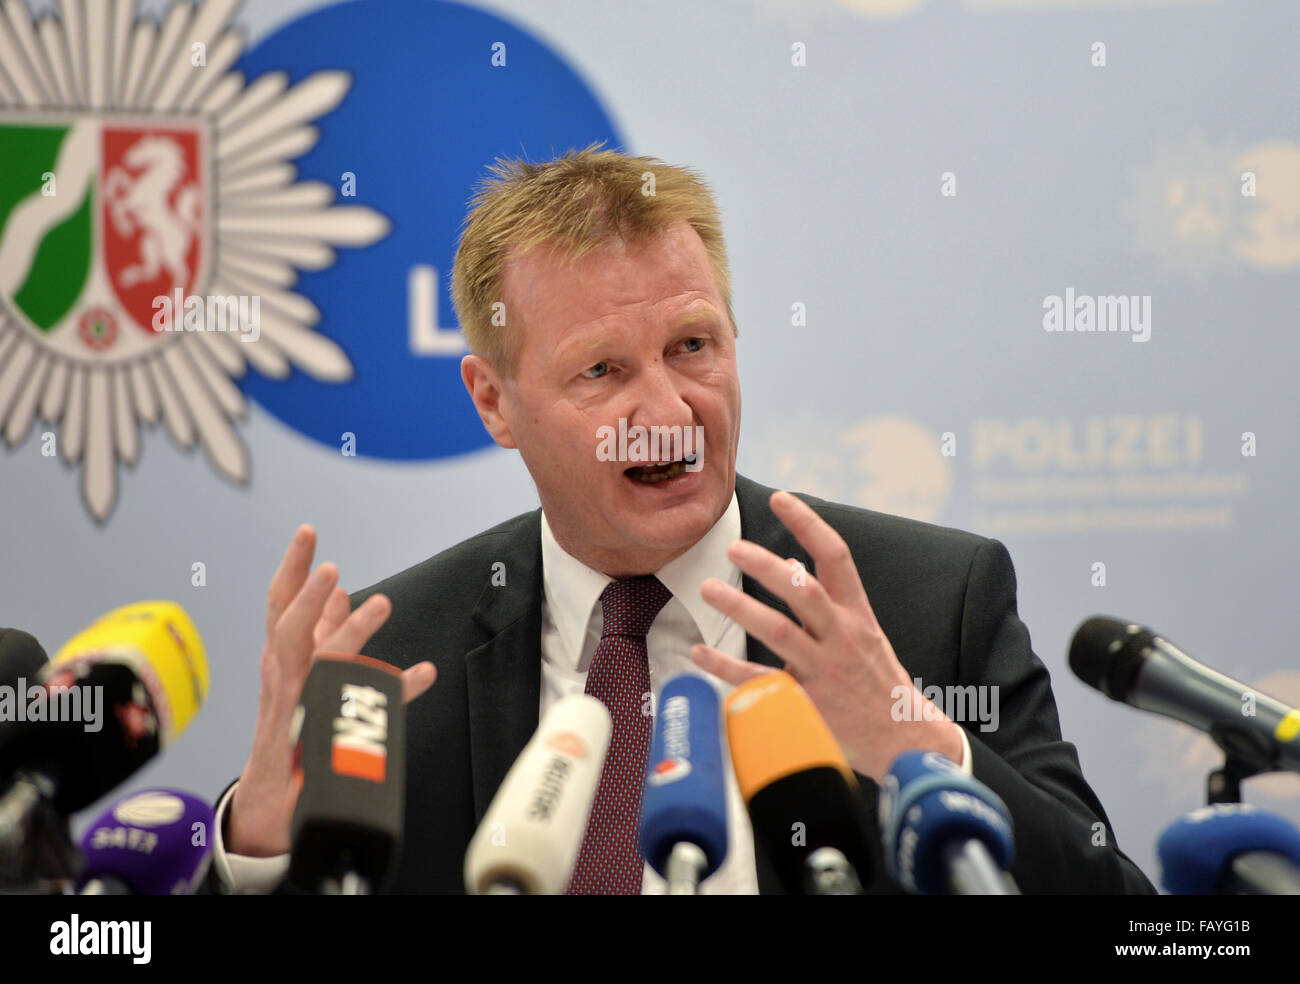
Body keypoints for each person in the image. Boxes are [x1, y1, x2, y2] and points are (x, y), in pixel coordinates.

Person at [210, 145, 1155, 894]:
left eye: (692, 345)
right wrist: (260, 841)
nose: (668, 412)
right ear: (493, 403)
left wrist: (912, 736)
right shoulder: (391, 669)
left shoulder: (923, 606)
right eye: (603, 370)